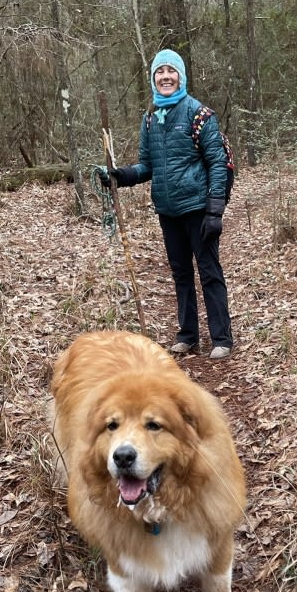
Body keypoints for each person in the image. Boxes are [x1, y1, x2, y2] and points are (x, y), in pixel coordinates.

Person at [99, 48, 234, 360]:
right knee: (181, 274)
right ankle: (188, 335)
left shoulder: (199, 115)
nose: (166, 77)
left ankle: (222, 338)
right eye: (160, 72)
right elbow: (148, 166)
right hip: (168, 212)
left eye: (171, 72)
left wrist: (215, 209)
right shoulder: (149, 119)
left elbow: (217, 162)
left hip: (198, 208)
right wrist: (121, 176)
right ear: (153, 79)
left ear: (181, 76)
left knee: (209, 271)